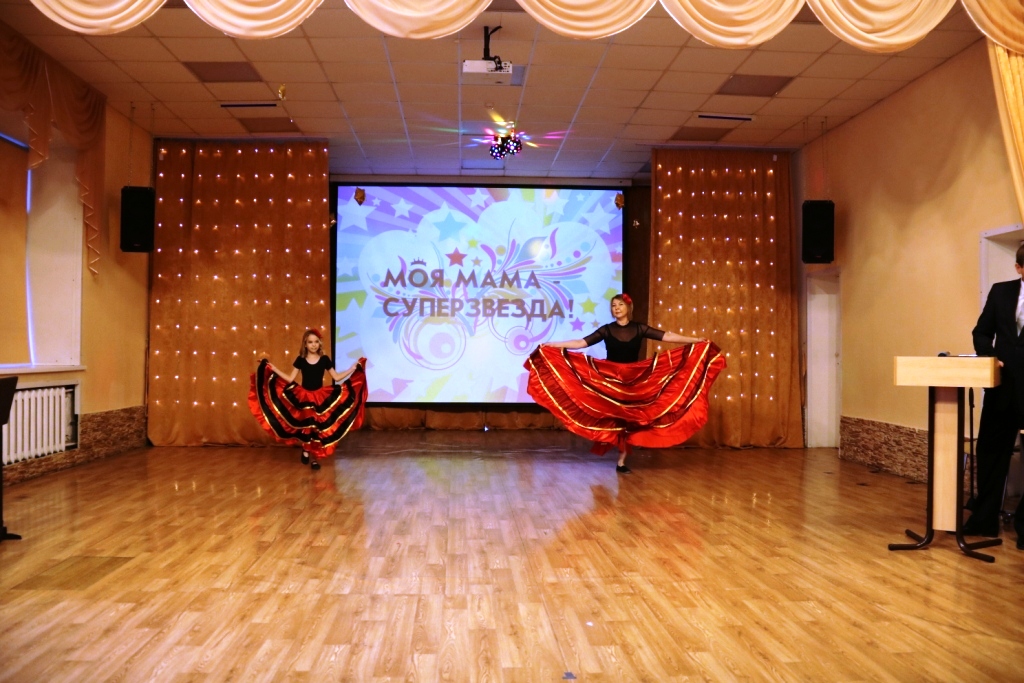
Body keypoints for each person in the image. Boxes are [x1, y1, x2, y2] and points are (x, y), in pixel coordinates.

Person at [528, 293, 724, 473]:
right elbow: (581, 343)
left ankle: (621, 461)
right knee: (612, 417)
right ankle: (615, 452)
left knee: (631, 419)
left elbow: (668, 336)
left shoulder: (639, 328)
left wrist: (695, 340)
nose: (616, 308)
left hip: (634, 380)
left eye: (620, 305)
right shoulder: (607, 329)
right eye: (613, 305)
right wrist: (554, 345)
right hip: (610, 379)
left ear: (628, 307)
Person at [968, 245, 1024, 547]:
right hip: (1001, 387)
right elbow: (981, 331)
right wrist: (989, 358)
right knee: (990, 452)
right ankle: (984, 520)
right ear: (1019, 268)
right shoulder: (1001, 292)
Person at [249, 328, 367, 471]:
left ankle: (314, 459)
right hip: (304, 397)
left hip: (319, 397)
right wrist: (273, 369)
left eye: (316, 342)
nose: (313, 345)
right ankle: (306, 449)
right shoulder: (301, 360)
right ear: (305, 344)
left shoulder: (324, 359)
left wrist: (352, 369)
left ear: (319, 343)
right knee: (308, 427)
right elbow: (290, 379)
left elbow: (336, 377)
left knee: (317, 429)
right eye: (310, 342)